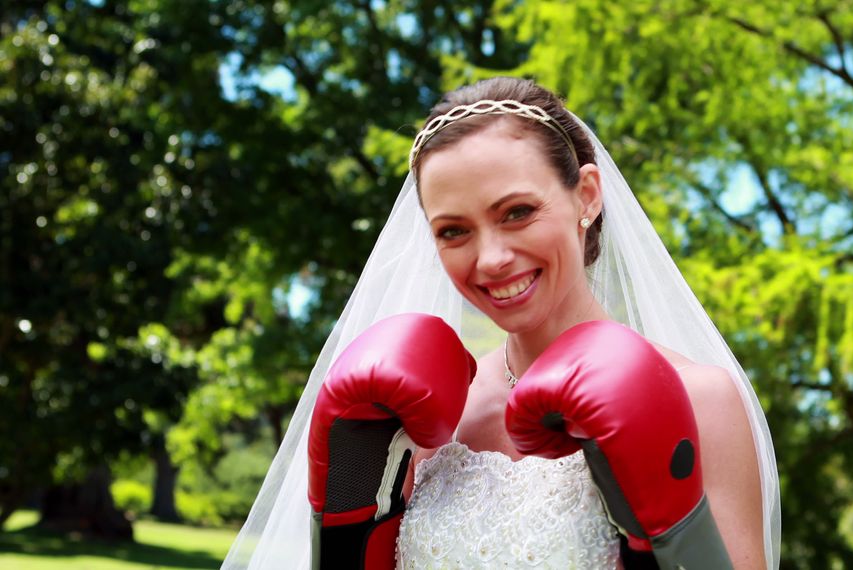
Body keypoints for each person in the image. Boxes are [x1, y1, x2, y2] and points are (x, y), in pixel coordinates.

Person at [222, 77, 780, 569]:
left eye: (517, 212)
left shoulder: (696, 399)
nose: (490, 259)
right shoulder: (423, 414)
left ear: (586, 196)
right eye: (453, 230)